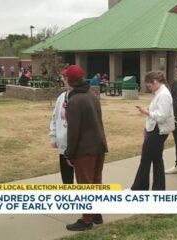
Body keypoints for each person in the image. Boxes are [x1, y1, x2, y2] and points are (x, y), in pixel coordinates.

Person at [64, 65, 108, 231]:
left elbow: (73, 131)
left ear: (70, 80)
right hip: (99, 145)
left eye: (65, 78)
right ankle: (96, 213)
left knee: (85, 184)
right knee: (96, 182)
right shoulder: (92, 95)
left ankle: (87, 220)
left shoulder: (75, 100)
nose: (63, 80)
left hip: (85, 149)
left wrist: (70, 153)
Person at [131, 71, 174, 190]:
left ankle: (139, 188)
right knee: (156, 159)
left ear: (155, 82)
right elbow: (159, 111)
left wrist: (147, 112)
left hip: (158, 130)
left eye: (149, 86)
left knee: (146, 159)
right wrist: (149, 110)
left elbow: (162, 115)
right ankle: (158, 188)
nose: (149, 89)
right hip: (156, 129)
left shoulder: (163, 94)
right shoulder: (160, 93)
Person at [49, 70, 74, 184]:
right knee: (67, 179)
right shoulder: (61, 97)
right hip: (63, 146)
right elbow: (55, 118)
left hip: (79, 147)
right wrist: (53, 137)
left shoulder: (82, 97)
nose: (63, 81)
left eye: (65, 78)